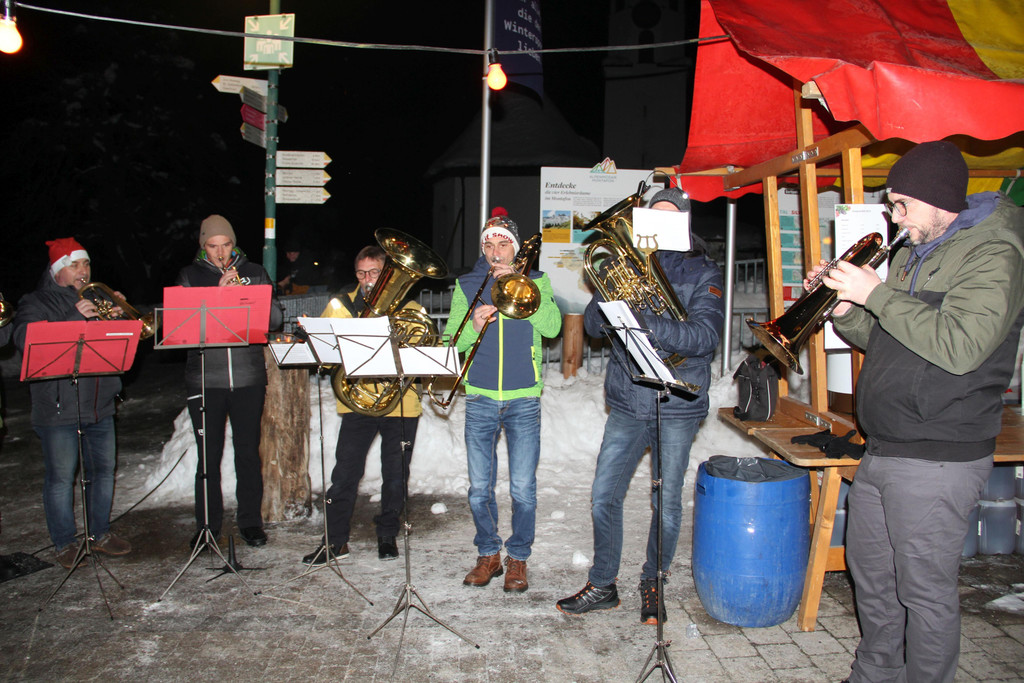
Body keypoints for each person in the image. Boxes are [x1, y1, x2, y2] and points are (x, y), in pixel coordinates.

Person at [810, 141, 1024, 683]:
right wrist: (847, 309)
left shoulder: (993, 254)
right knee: (872, 576)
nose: (895, 217)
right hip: (884, 445)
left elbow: (959, 346)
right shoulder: (914, 251)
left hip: (939, 453)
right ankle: (875, 672)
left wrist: (876, 294)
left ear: (939, 199)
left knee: (923, 591)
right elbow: (891, 336)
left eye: (902, 204)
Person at [556, 187, 724, 624]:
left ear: (684, 222)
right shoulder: (624, 262)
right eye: (654, 215)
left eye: (671, 216)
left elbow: (705, 337)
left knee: (666, 504)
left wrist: (646, 320)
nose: (661, 223)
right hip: (629, 399)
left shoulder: (702, 269)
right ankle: (603, 584)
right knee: (602, 496)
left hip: (677, 402)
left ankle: (654, 581)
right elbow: (594, 326)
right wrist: (608, 296)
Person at [445, 215, 562, 593]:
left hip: (523, 397)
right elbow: (452, 342)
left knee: (523, 489)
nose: (496, 253)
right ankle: (488, 554)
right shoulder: (467, 284)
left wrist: (524, 287)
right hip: (480, 396)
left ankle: (519, 557)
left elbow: (552, 328)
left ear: (515, 247)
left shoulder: (538, 281)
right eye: (489, 245)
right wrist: (473, 327)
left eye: (503, 244)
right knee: (479, 489)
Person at [13, 238, 133, 569]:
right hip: (57, 407)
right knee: (61, 479)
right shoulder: (35, 301)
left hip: (100, 404)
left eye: (86, 264)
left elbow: (119, 351)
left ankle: (100, 534)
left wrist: (119, 319)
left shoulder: (98, 299)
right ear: (57, 271)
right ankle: (64, 542)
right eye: (75, 265)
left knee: (103, 472)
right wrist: (73, 316)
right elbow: (24, 339)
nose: (84, 270)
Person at [302, 245, 423, 565]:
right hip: (357, 404)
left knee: (395, 475)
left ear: (387, 274)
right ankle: (335, 540)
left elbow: (422, 355)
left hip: (400, 404)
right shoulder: (340, 306)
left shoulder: (408, 307)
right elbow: (325, 354)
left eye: (374, 273)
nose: (367, 279)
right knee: (344, 473)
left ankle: (387, 535)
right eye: (361, 273)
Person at [176, 215, 283, 549]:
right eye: (212, 246)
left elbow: (275, 320)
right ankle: (207, 526)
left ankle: (250, 522)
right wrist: (219, 296)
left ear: (233, 244)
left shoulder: (254, 272)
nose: (220, 252)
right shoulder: (190, 276)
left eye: (225, 244)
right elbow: (182, 328)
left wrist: (246, 296)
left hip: (248, 377)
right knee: (208, 456)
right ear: (203, 247)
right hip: (206, 379)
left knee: (248, 453)